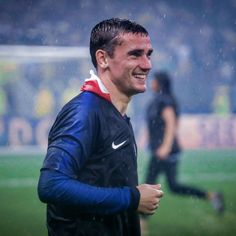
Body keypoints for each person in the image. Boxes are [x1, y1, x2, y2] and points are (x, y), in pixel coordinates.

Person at [37, 18, 164, 236]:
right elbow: (51, 185)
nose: (147, 64)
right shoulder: (84, 112)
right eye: (135, 54)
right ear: (103, 58)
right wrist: (133, 198)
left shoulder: (114, 110)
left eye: (148, 54)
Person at [141, 71, 224, 232]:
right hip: (159, 151)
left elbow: (171, 123)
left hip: (165, 152)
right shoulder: (158, 100)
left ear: (160, 83)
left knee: (149, 185)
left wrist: (165, 146)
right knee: (173, 186)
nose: (151, 82)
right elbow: (155, 125)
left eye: (154, 80)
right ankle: (212, 196)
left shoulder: (165, 100)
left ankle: (142, 225)